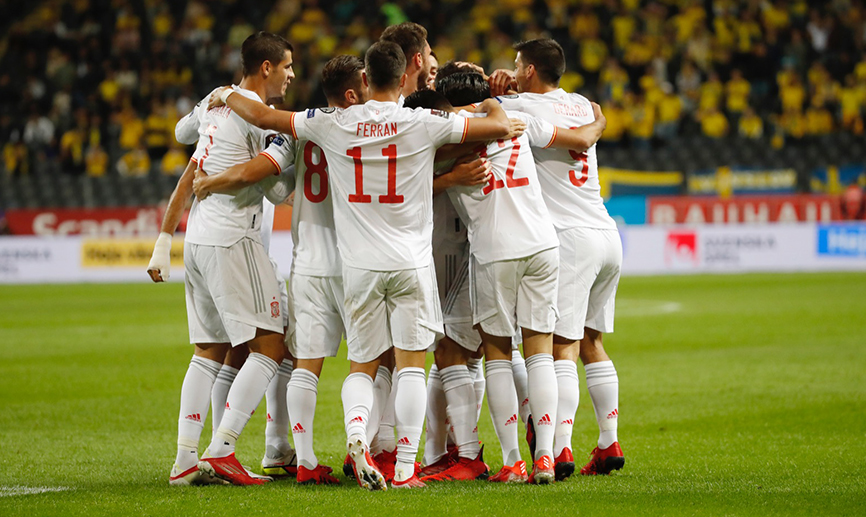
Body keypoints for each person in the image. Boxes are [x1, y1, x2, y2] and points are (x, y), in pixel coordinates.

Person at [210, 40, 516, 489]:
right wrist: (492, 96)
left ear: (366, 81)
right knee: (411, 365)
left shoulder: (333, 122)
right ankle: (407, 467)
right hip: (410, 262)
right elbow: (498, 126)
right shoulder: (423, 121)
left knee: (361, 366)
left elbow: (264, 118)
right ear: (401, 80)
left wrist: (223, 95)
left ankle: (356, 436)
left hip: (357, 266)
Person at [193, 54, 374, 486]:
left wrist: (219, 178)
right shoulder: (370, 128)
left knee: (303, 363)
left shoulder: (301, 126)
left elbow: (272, 175)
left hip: (306, 263)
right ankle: (377, 448)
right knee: (370, 363)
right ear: (355, 90)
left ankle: (302, 458)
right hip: (355, 261)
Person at [417, 71, 606, 485]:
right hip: (544, 245)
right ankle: (545, 458)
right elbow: (578, 138)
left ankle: (512, 462)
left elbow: (409, 182)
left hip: (497, 251)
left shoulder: (449, 142)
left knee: (498, 353)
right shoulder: (518, 123)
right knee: (540, 352)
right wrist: (598, 120)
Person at [149, 31, 295, 487]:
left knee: (209, 351)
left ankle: (185, 460)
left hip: (199, 241)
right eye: (287, 66)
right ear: (266, 67)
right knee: (272, 344)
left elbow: (184, 146)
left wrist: (163, 241)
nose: (292, 75)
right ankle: (223, 449)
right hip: (233, 239)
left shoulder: (215, 112)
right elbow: (260, 171)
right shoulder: (253, 114)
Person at [488, 38, 625, 478]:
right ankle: (608, 442)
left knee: (561, 346)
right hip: (606, 233)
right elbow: (591, 125)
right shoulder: (585, 106)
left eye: (515, 64)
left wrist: (498, 90)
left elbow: (485, 109)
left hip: (569, 239)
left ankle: (560, 448)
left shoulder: (524, 109)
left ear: (528, 70)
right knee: (593, 343)